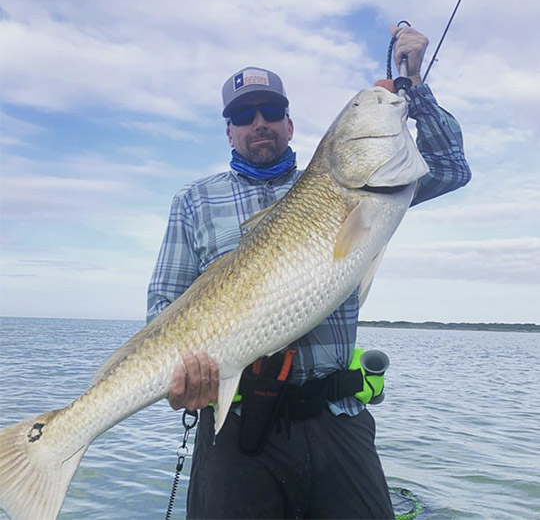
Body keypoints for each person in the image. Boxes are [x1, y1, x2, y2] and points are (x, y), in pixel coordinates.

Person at [147, 26, 471, 519]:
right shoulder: (193, 202)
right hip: (233, 426)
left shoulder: (357, 186)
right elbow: (163, 309)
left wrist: (415, 87)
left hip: (335, 417)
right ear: (229, 130)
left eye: (271, 112)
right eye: (243, 115)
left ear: (290, 125)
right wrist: (184, 377)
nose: (259, 123)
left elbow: (450, 167)